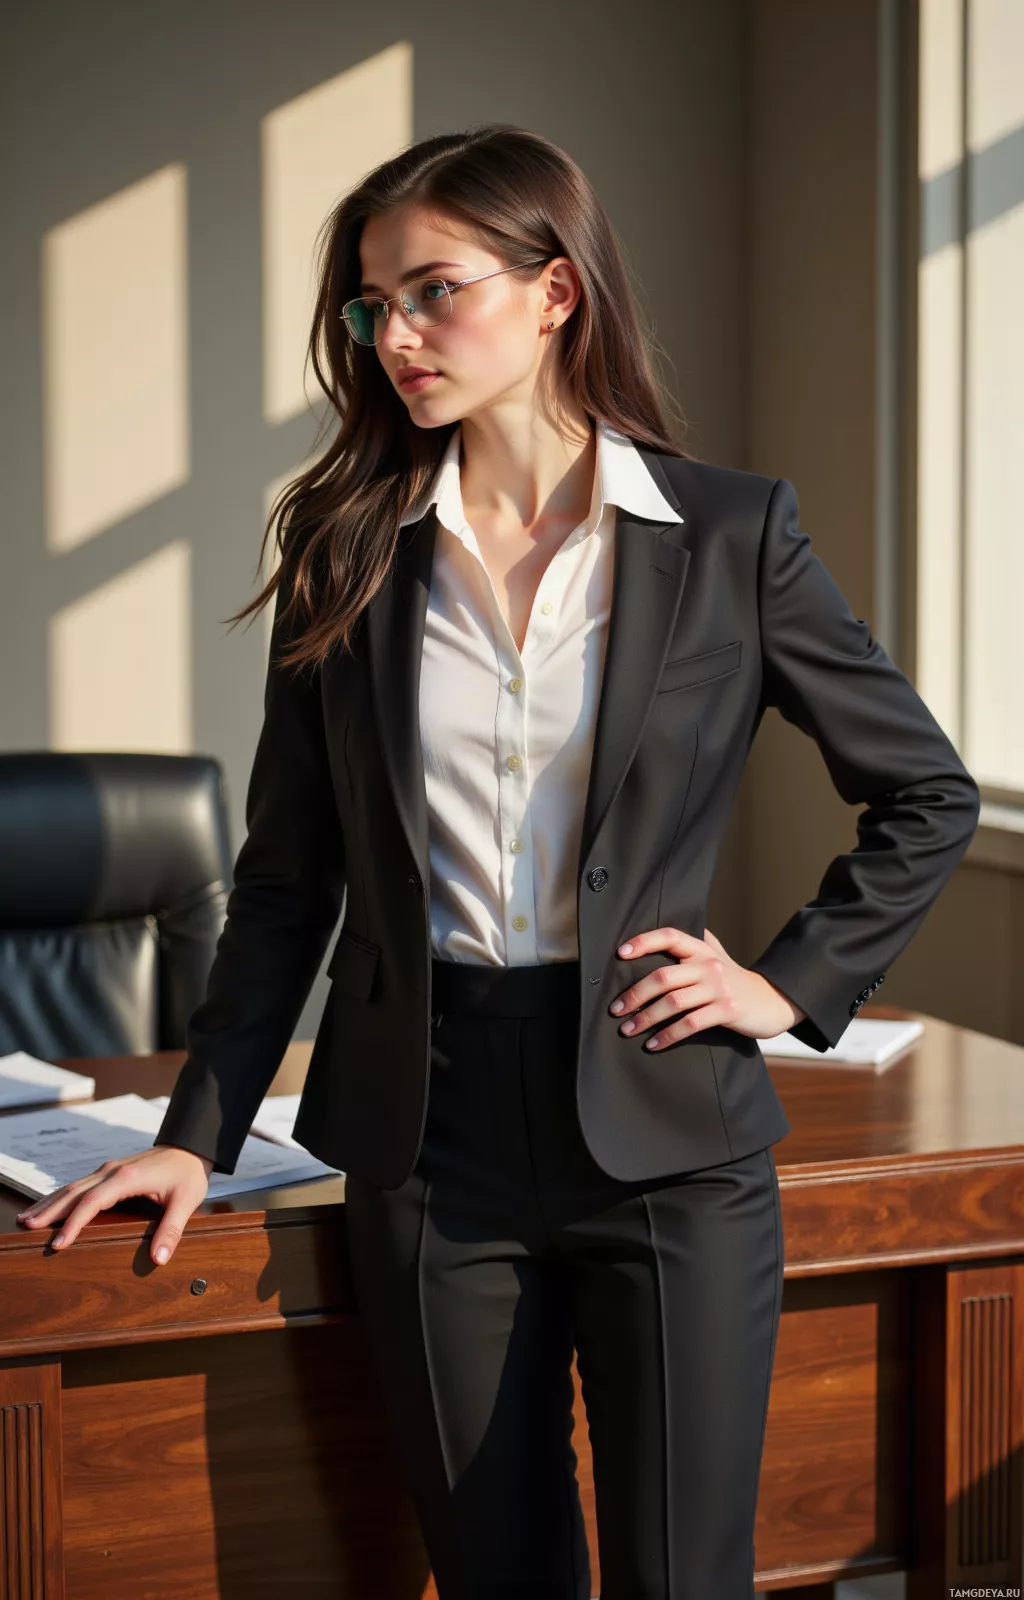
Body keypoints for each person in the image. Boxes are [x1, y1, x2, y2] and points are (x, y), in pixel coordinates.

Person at [18, 125, 981, 1598]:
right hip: (429, 1137)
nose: (395, 335)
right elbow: (286, 882)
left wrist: (786, 986)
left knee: (684, 1581)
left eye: (433, 290)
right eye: (371, 304)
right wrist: (197, 1135)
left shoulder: (729, 535)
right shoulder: (346, 545)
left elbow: (924, 793)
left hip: (670, 1135)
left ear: (555, 292)